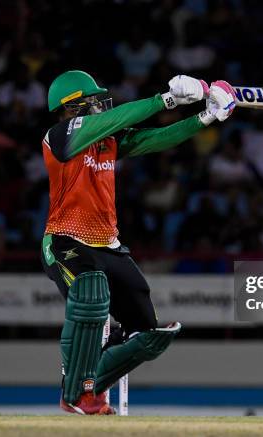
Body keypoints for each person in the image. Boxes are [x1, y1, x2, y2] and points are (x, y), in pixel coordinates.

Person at [40, 70, 236, 414]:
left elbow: (157, 138)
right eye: (93, 101)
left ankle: (91, 391)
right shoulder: (58, 137)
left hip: (109, 245)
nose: (102, 106)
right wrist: (167, 99)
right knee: (90, 290)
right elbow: (122, 116)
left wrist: (206, 116)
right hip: (65, 240)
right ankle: (75, 394)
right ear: (72, 108)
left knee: (146, 333)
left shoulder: (109, 140)